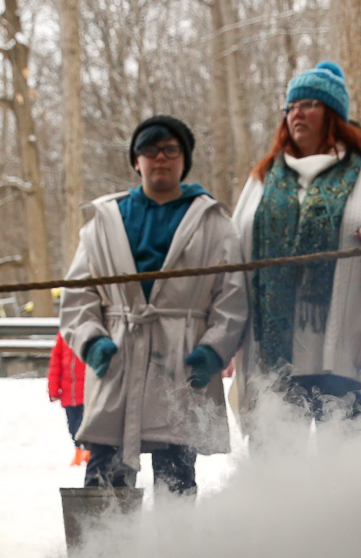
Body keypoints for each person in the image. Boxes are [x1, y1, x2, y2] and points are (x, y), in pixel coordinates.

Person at [60, 115, 248, 494]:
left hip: (181, 359)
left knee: (176, 472)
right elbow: (78, 295)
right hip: (120, 356)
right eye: (149, 150)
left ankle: (173, 553)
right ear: (136, 160)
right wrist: (94, 343)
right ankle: (100, 554)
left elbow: (232, 296)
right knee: (104, 471)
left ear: (184, 159)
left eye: (170, 150)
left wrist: (212, 351)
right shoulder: (104, 220)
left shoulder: (214, 222)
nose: (160, 158)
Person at [231, 62, 361, 423]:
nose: (296, 113)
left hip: (348, 355)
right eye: (290, 106)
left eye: (309, 104)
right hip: (273, 358)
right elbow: (234, 257)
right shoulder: (263, 179)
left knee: (346, 472)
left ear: (333, 114)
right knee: (279, 473)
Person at [47, 333, 88, 467]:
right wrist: (53, 389)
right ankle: (79, 451)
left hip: (87, 392)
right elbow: (55, 364)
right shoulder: (63, 336)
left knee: (83, 425)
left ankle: (85, 450)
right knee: (72, 426)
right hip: (68, 393)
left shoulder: (91, 333)